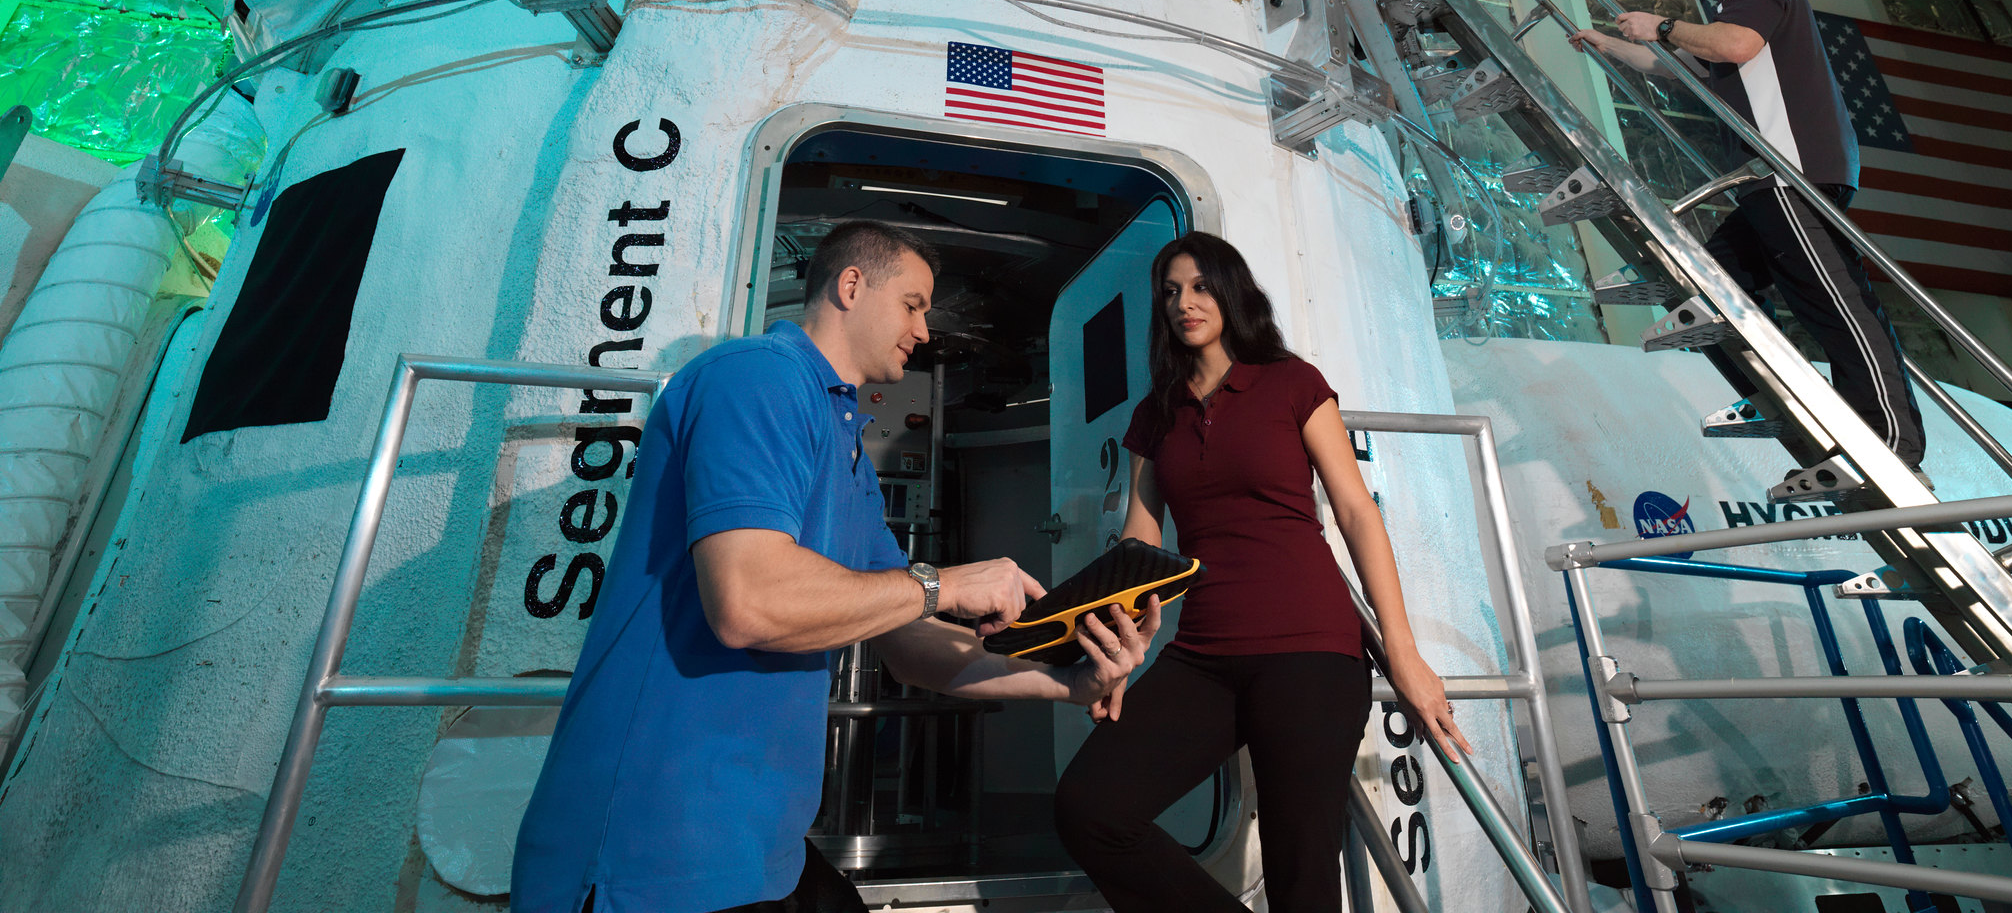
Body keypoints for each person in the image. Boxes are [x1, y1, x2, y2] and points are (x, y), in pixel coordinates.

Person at [512, 220, 1157, 913]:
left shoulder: (850, 456)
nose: (925, 330)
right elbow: (748, 601)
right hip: (655, 851)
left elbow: (910, 646)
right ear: (851, 285)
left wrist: (1065, 678)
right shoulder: (756, 376)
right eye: (913, 304)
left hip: (760, 847)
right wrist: (945, 582)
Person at [1053, 232, 1467, 913]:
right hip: (1203, 656)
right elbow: (1140, 540)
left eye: (1199, 286)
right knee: (1089, 808)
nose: (1184, 303)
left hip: (1310, 653)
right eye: (1170, 292)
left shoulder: (1292, 382)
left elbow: (1358, 513)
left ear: (1231, 290)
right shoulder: (1154, 416)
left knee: (1300, 878)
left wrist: (1404, 651)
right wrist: (1120, 657)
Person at [1570, 0, 1924, 468]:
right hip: (1765, 179)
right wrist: (1612, 44)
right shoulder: (1733, 11)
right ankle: (1778, 395)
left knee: (1835, 303)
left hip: (1790, 171)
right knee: (1717, 287)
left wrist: (1661, 24)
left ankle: (1892, 440)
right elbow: (1683, 68)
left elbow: (1732, 45)